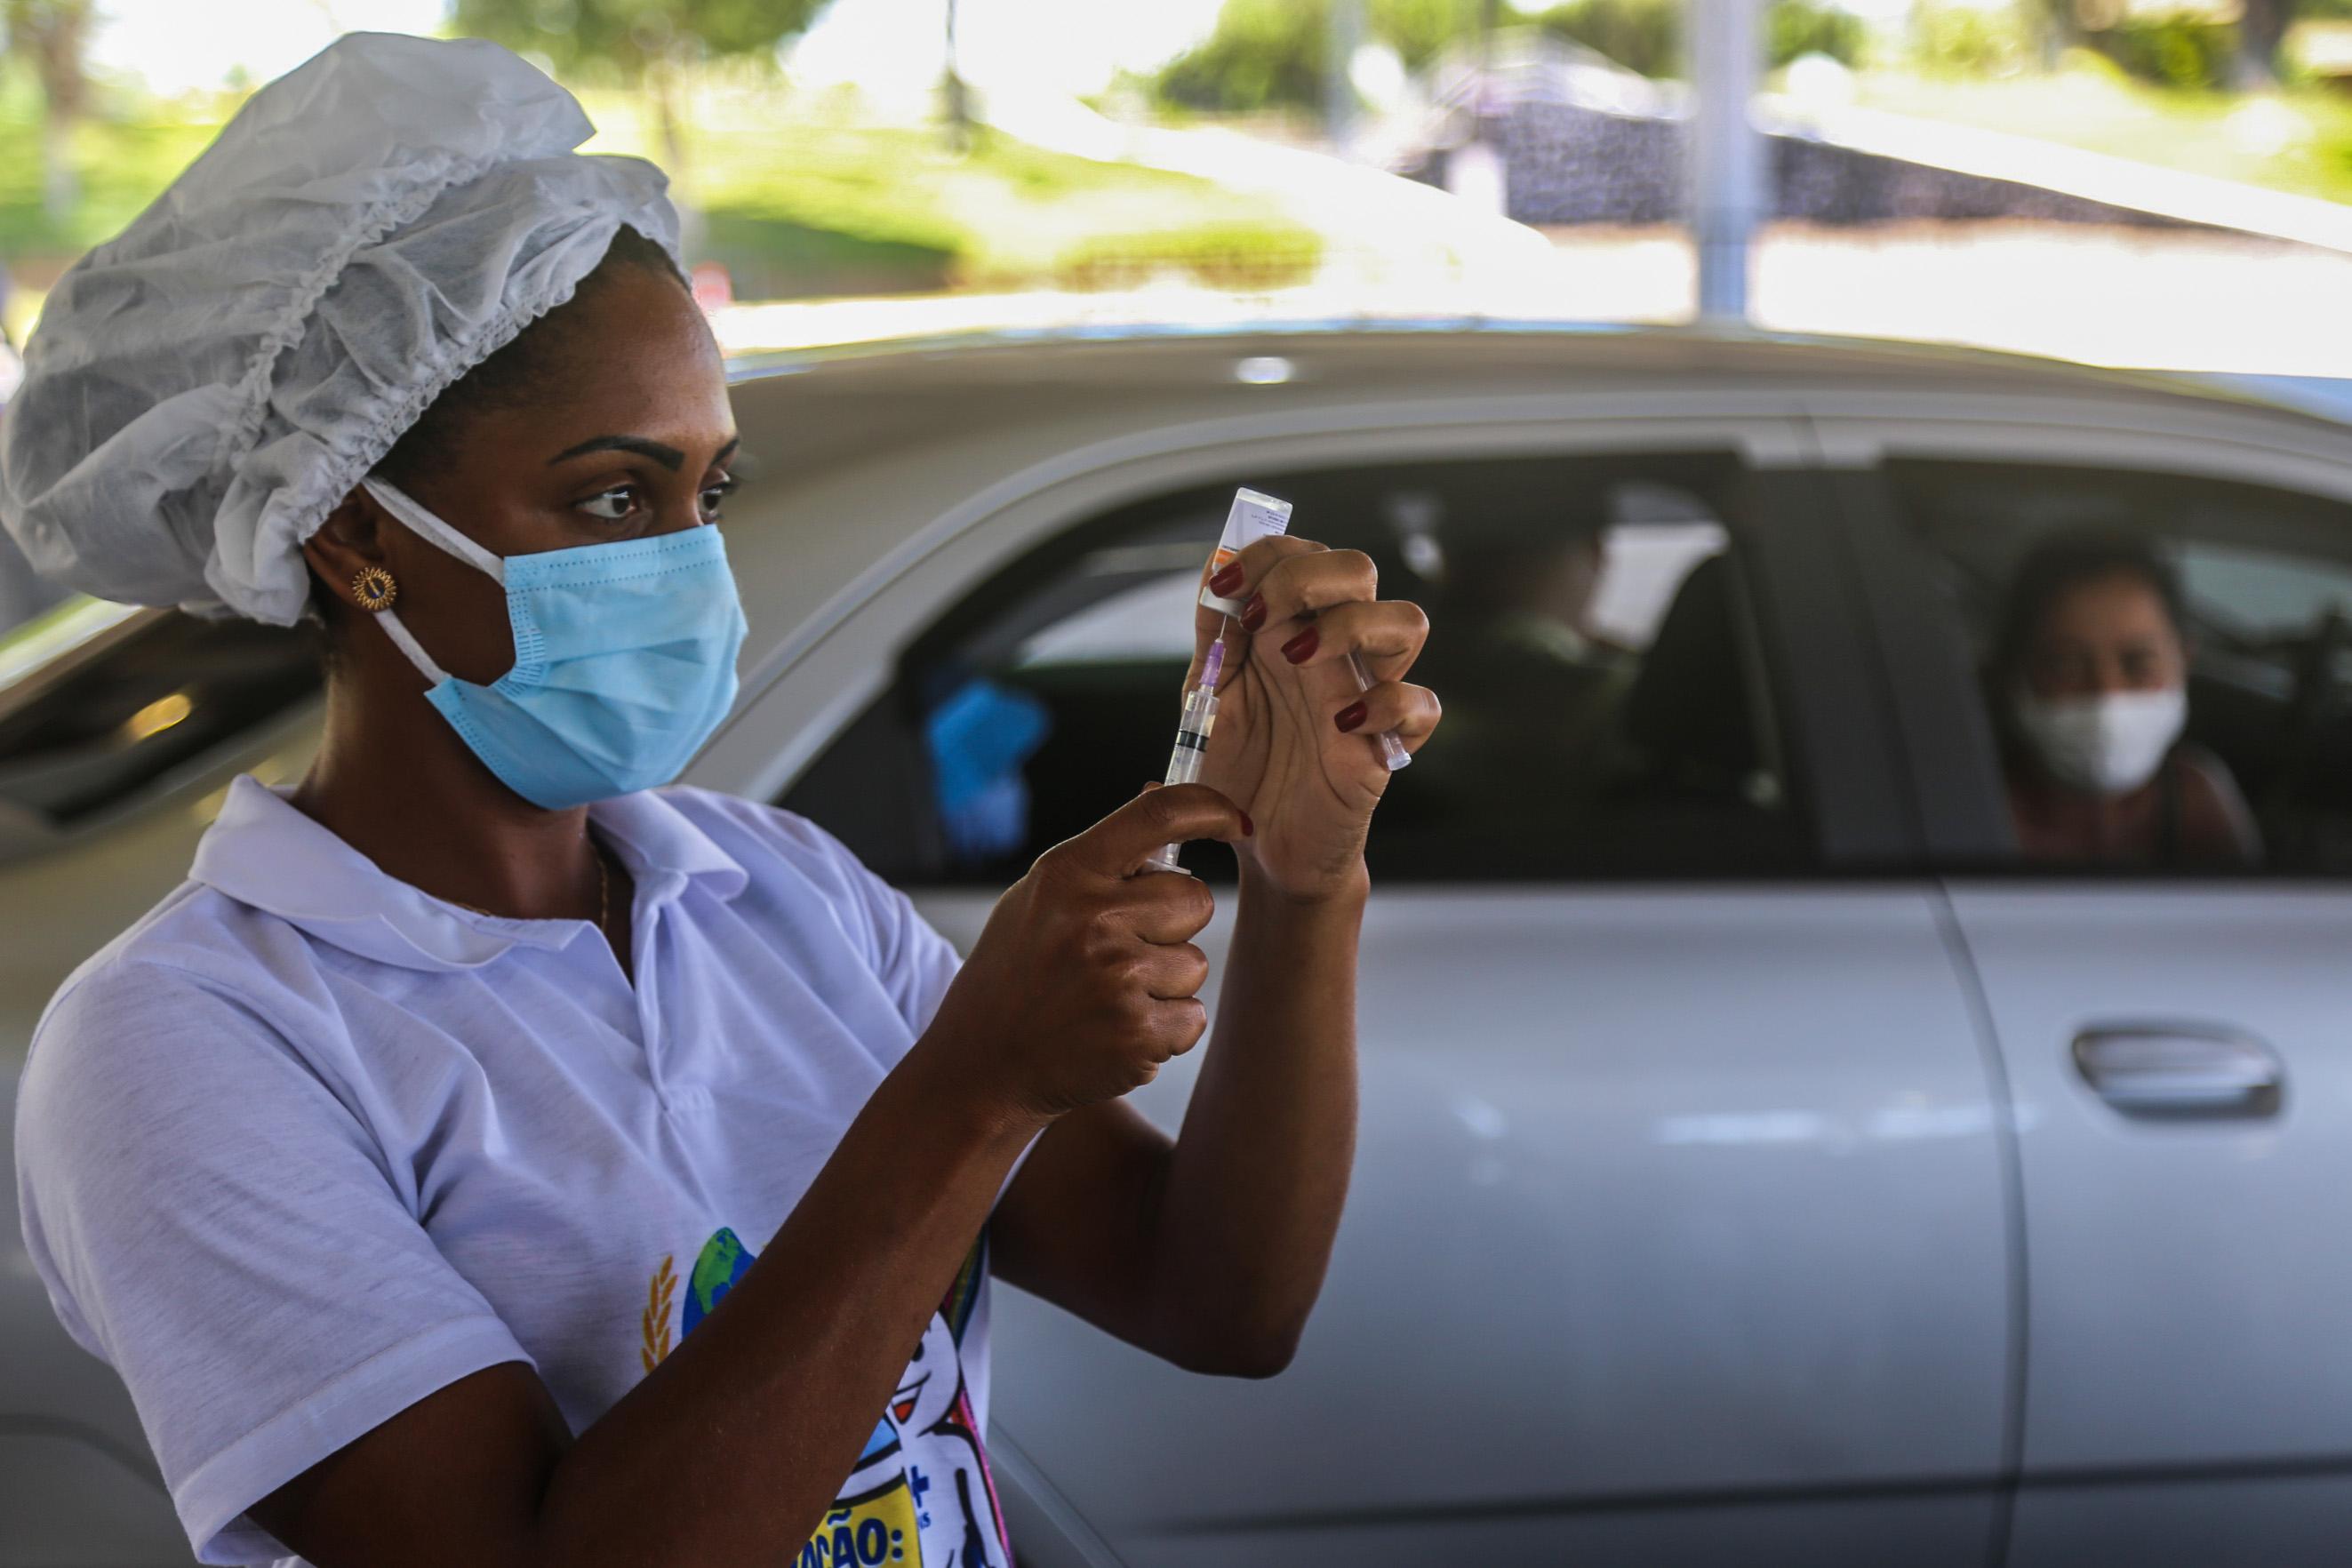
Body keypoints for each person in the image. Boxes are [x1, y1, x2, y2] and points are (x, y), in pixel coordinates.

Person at [2, 35, 1440, 1568]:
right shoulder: (191, 1038)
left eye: (710, 493)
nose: (684, 559)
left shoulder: (773, 891)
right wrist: (971, 1085)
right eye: (614, 497)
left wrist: (1304, 881)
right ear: (358, 529)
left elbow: (1211, 1299)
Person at [1993, 530, 2259, 868]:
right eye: (2067, 666)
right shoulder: (1976, 806)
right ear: (2018, 673)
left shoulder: (2194, 797)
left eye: (2139, 664)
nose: (2107, 694)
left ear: (2184, 662)